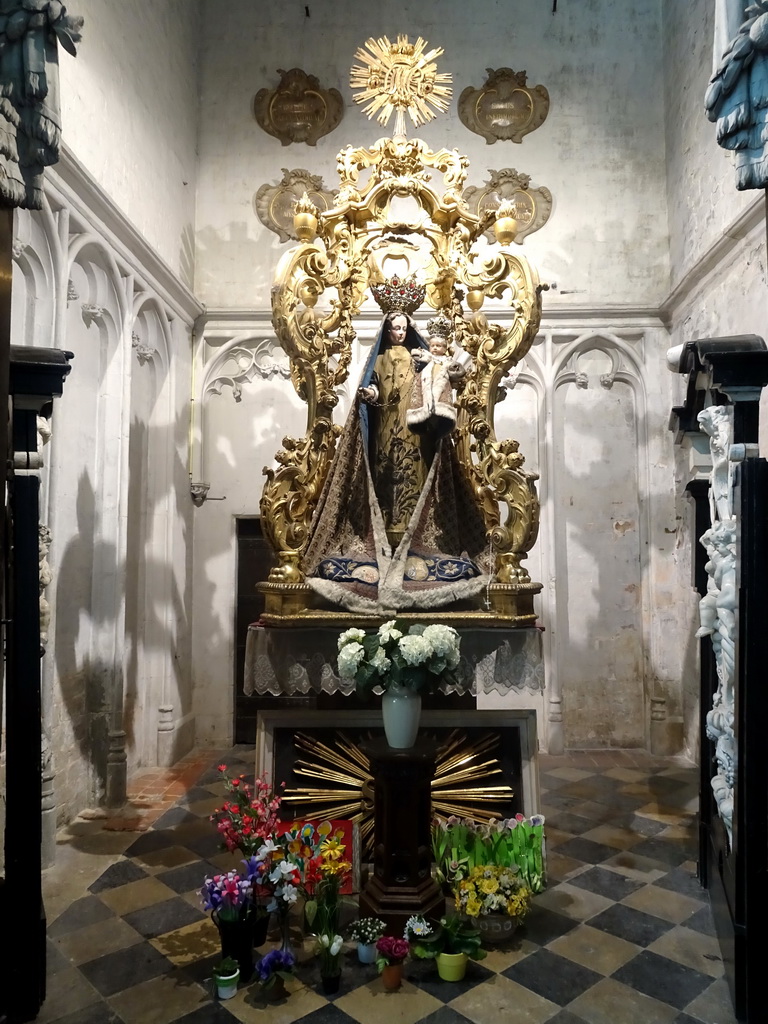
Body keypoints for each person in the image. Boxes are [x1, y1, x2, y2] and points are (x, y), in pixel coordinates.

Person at [302, 276, 491, 613]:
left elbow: (442, 374)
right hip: (384, 433)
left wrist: (440, 369)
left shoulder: (419, 355)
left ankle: (413, 537)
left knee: (414, 477)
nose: (399, 333)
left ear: (409, 328)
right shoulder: (380, 359)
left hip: (414, 433)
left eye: (404, 328)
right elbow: (372, 387)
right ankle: (384, 536)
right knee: (386, 479)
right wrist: (368, 394)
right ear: (386, 329)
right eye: (394, 328)